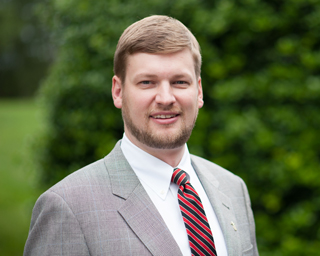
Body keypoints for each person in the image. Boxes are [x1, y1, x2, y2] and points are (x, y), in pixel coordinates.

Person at [24, 15, 258, 256]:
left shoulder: (233, 189)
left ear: (198, 91)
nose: (166, 98)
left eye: (179, 82)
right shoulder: (68, 208)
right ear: (118, 91)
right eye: (147, 82)